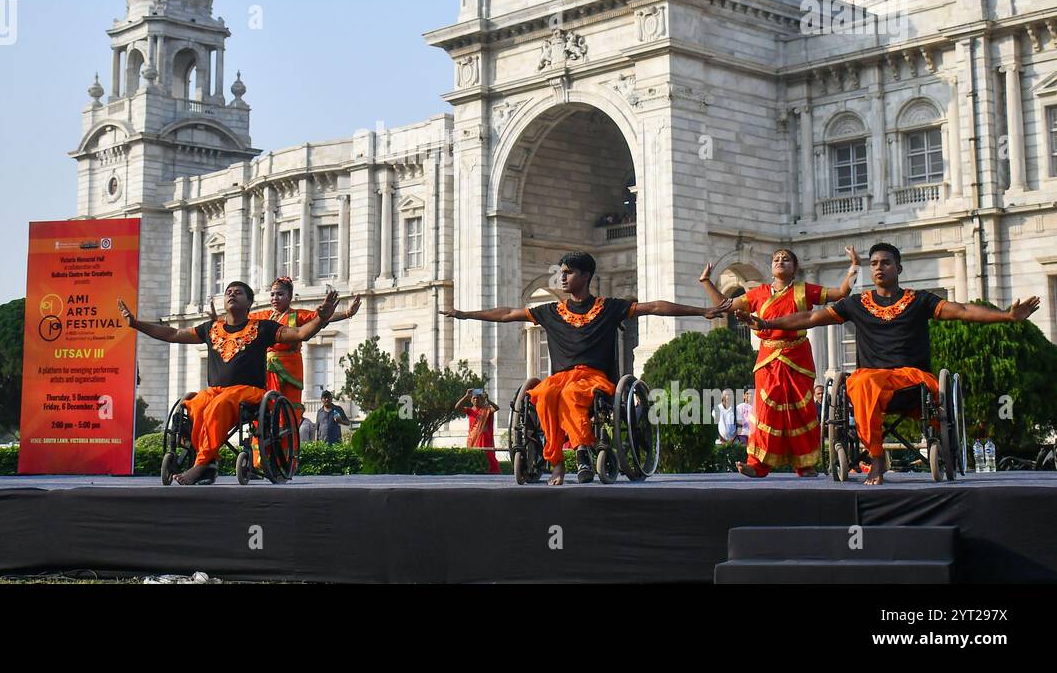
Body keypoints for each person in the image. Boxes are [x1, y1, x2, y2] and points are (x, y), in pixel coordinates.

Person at [742, 243, 1040, 485]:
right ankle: (875, 460)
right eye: (873, 264)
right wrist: (766, 322)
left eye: (885, 262)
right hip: (872, 381)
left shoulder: (919, 300)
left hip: (912, 380)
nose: (878, 268)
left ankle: (887, 456)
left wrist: (1006, 315)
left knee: (864, 383)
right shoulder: (857, 303)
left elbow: (961, 310)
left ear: (898, 268)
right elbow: (808, 318)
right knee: (860, 381)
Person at [442, 250, 730, 485]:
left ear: (586, 276)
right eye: (562, 272)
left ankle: (582, 452)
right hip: (561, 378)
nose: (562, 277)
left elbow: (653, 307)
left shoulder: (608, 307)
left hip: (595, 379)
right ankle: (556, 463)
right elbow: (507, 313)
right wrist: (465, 315)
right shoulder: (552, 311)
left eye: (569, 272)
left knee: (570, 395)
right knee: (542, 394)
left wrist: (701, 310)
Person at [119, 281, 338, 485]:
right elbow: (174, 333)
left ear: (249, 303)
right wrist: (136, 324)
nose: (232, 294)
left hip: (249, 392)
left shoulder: (263, 328)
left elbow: (300, 332)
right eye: (228, 292)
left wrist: (320, 319)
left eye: (238, 292)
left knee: (218, 404)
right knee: (193, 404)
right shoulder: (211, 328)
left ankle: (201, 464)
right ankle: (208, 463)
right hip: (216, 391)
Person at [699, 246, 859, 478]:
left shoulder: (805, 290)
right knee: (765, 411)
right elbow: (725, 306)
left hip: (797, 358)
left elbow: (841, 293)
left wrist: (855, 266)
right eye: (776, 259)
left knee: (801, 411)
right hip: (768, 359)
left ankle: (805, 465)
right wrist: (706, 282)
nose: (780, 261)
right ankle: (758, 464)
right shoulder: (758, 293)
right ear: (772, 268)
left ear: (794, 268)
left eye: (786, 259)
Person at [237, 276, 361, 419]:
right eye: (272, 294)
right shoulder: (264, 316)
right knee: (265, 404)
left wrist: (347, 313)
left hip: (290, 366)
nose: (275, 298)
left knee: (289, 406)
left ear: (290, 297)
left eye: (280, 294)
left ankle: (288, 437)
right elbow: (242, 319)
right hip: (267, 367)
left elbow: (321, 317)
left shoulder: (297, 315)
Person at [454, 388, 499, 473]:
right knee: (473, 457)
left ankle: (493, 473)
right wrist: (466, 396)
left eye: (478, 398)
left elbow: (496, 408)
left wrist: (488, 400)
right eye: (474, 398)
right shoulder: (470, 411)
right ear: (471, 400)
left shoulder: (487, 410)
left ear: (482, 399)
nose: (476, 399)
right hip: (473, 438)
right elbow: (457, 407)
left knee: (489, 457)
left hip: (485, 438)